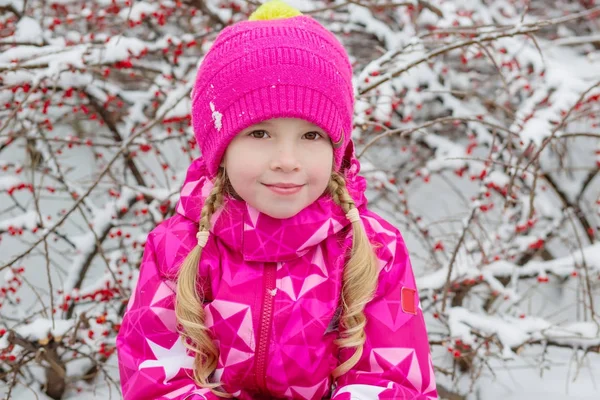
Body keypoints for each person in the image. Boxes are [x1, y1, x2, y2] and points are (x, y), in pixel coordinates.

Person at [115, 1, 437, 399]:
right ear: (220, 146)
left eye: (311, 136)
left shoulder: (373, 250)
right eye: (260, 134)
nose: (287, 161)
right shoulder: (177, 249)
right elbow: (154, 380)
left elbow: (394, 381)